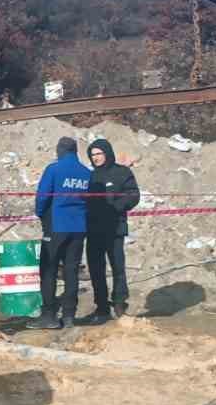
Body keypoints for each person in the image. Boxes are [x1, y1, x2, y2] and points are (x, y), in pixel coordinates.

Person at [29, 137, 91, 330]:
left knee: (48, 269)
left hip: (56, 226)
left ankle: (49, 315)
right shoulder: (86, 173)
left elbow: (43, 196)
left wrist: (41, 214)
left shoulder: (54, 169)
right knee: (71, 271)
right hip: (79, 228)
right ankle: (69, 315)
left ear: (60, 151)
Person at [80, 138, 141, 325]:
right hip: (93, 230)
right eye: (92, 155)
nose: (96, 158)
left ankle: (120, 302)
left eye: (99, 153)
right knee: (96, 270)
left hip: (115, 228)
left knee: (118, 267)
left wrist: (115, 206)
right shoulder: (88, 177)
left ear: (107, 153)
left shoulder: (122, 173)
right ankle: (102, 308)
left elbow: (133, 195)